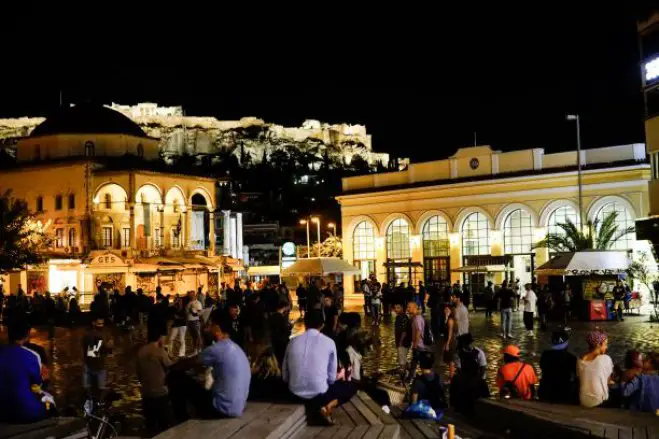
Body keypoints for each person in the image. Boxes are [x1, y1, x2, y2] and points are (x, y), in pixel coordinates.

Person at [283, 310, 355, 425]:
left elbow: (285, 376)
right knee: (351, 386)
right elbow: (331, 379)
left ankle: (323, 407)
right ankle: (328, 406)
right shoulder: (329, 342)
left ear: (305, 323)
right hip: (320, 395)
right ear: (322, 324)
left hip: (294, 394)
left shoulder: (292, 342)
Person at [0, 322, 54, 423]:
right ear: (27, 335)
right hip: (26, 413)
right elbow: (37, 384)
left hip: (2, 412)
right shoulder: (32, 356)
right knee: (49, 401)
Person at [136, 326, 175, 436]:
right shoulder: (160, 351)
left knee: (150, 424)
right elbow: (170, 367)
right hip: (161, 392)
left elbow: (138, 373)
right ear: (160, 337)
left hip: (146, 393)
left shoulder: (141, 351)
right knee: (165, 426)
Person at [450, 333, 489, 414]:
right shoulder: (459, 353)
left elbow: (482, 369)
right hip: (467, 379)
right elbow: (460, 369)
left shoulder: (478, 353)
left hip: (473, 379)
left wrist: (478, 380)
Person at [539, 329, 579, 404]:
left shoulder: (545, 355)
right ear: (567, 343)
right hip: (564, 393)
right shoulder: (571, 358)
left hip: (546, 391)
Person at [577, 330, 614, 408]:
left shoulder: (579, 360)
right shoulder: (605, 359)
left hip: (583, 400)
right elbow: (608, 381)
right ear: (599, 345)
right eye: (605, 344)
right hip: (599, 402)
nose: (606, 347)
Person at [82, 317, 113, 399]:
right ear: (93, 323)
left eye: (102, 324)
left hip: (97, 365)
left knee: (91, 390)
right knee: (96, 390)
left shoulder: (88, 334)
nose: (101, 326)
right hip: (94, 366)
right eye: (99, 324)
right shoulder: (91, 335)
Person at [406, 301, 427, 381]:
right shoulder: (415, 317)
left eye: (409, 307)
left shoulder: (417, 318)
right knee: (415, 363)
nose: (407, 309)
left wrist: (415, 344)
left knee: (420, 364)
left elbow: (418, 331)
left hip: (419, 346)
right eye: (407, 307)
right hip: (419, 345)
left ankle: (412, 378)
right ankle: (411, 378)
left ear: (415, 307)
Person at [268, 300, 291, 366]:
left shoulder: (271, 316)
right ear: (283, 307)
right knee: (282, 358)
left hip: (274, 340)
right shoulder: (281, 317)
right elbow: (285, 330)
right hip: (282, 341)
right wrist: (289, 328)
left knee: (276, 356)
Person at [394, 303, 411, 374]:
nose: (396, 309)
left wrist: (400, 342)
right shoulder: (399, 317)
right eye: (395, 308)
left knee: (402, 358)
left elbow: (404, 331)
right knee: (403, 357)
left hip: (403, 342)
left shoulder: (403, 317)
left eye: (398, 308)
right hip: (401, 341)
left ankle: (403, 371)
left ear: (402, 308)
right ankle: (409, 371)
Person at [441, 304, 458, 379]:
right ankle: (452, 376)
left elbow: (450, 333)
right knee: (449, 360)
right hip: (449, 340)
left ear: (451, 311)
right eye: (445, 309)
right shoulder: (447, 318)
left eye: (447, 309)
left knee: (451, 360)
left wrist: (447, 343)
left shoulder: (450, 320)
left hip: (451, 341)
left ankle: (452, 377)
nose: (445, 311)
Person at [186, 291, 203, 355]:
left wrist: (192, 312)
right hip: (190, 321)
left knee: (198, 336)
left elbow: (199, 313)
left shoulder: (197, 303)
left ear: (194, 295)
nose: (189, 296)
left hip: (195, 321)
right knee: (194, 337)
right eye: (189, 295)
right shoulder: (189, 302)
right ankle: (195, 350)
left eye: (191, 295)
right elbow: (187, 312)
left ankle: (200, 350)